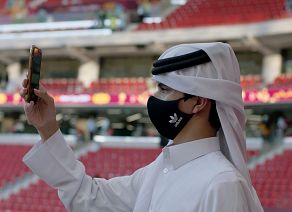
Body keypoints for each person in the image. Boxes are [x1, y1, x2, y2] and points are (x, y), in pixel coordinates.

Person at [20, 42, 263, 212]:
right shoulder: (159, 169)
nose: (155, 98)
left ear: (198, 102)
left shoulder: (223, 184)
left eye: (165, 90)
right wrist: (48, 127)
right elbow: (90, 198)